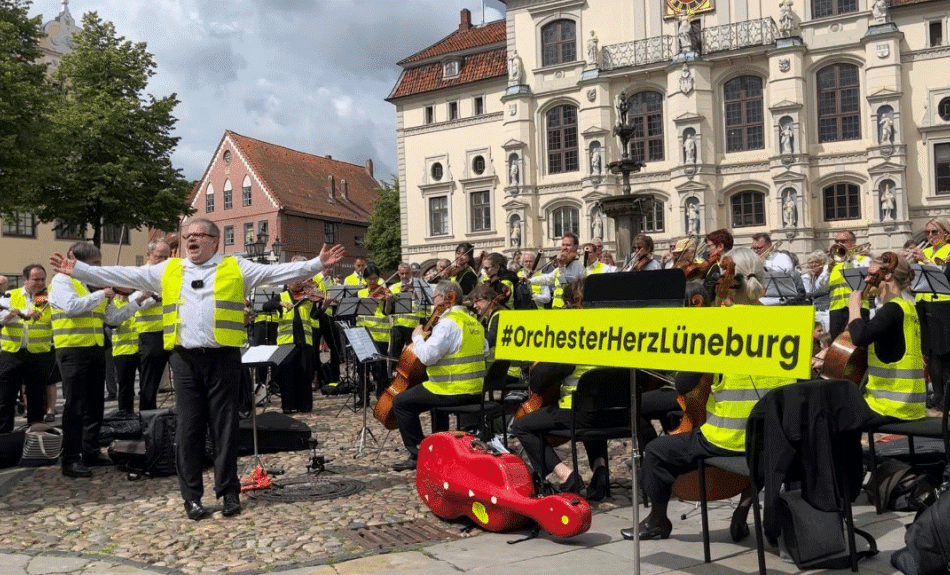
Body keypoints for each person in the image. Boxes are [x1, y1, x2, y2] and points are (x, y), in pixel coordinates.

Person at [50, 217, 344, 519]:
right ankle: (191, 497)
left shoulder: (235, 267)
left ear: (215, 241)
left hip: (224, 358)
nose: (191, 239)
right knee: (188, 430)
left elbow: (277, 271)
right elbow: (128, 273)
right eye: (187, 235)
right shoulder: (170, 268)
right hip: (185, 360)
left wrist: (317, 264)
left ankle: (229, 492)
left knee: (225, 429)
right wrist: (81, 270)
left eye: (199, 235)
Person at [623, 247, 796, 541]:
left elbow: (683, 385)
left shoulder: (719, 325)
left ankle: (657, 520)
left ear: (726, 283)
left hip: (727, 438)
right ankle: (743, 507)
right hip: (775, 437)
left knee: (655, 453)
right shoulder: (785, 322)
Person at [48, 242, 142, 479]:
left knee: (94, 405)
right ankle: (70, 459)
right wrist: (102, 293)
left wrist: (140, 301)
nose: (99, 269)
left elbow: (113, 318)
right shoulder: (62, 281)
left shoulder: (93, 286)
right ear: (79, 264)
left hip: (95, 349)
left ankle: (90, 450)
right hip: (71, 350)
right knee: (75, 406)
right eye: (95, 265)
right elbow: (70, 308)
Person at [391, 280, 488, 471]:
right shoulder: (473, 321)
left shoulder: (447, 324)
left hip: (452, 389)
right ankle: (441, 446)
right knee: (430, 399)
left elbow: (427, 357)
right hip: (477, 389)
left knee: (401, 402)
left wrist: (418, 337)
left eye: (435, 297)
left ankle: (418, 452)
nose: (433, 301)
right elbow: (484, 351)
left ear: (446, 297)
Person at [847, 253, 926, 425]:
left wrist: (853, 307)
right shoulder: (908, 307)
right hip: (910, 405)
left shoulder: (892, 310)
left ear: (887, 275)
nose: (867, 279)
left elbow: (860, 337)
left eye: (870, 274)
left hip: (889, 406)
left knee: (827, 408)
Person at [0, 264, 54, 432]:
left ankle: (35, 437)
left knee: (37, 398)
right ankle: (4, 437)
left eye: (43, 279)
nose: (40, 283)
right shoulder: (10, 295)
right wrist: (22, 312)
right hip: (12, 353)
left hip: (39, 354)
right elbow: (2, 318)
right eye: (35, 279)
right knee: (5, 398)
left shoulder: (48, 298)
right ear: (24, 280)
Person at [263, 256, 319, 414]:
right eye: (295, 280)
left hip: (305, 341)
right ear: (288, 282)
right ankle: (288, 406)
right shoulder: (281, 296)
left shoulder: (307, 298)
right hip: (286, 342)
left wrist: (324, 306)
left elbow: (314, 317)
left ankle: (305, 405)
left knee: (305, 375)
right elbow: (266, 306)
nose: (299, 283)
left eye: (301, 280)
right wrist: (280, 304)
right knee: (287, 375)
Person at [910, 218, 950, 411]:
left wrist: (926, 261)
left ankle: (947, 397)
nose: (930, 236)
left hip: (944, 305)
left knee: (945, 352)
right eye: (928, 233)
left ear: (945, 233)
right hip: (924, 305)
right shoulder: (925, 251)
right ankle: (938, 394)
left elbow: (947, 277)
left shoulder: (948, 251)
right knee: (931, 353)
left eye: (935, 232)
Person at [134, 239, 171, 411]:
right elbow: (133, 302)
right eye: (159, 257)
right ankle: (148, 419)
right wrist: (154, 297)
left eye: (167, 257)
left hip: (173, 331)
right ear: (149, 255)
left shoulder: (171, 273)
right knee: (149, 383)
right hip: (150, 334)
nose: (163, 261)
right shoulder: (140, 274)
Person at [110, 290, 153, 414]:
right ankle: (125, 417)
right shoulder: (115, 304)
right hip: (123, 351)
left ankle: (146, 416)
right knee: (125, 388)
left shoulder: (140, 300)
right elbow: (114, 322)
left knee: (145, 386)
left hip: (141, 349)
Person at [827, 230, 871, 339]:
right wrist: (827, 271)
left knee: (860, 343)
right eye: (837, 241)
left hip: (859, 307)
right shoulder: (833, 264)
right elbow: (821, 287)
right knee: (835, 344)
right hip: (836, 310)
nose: (839, 244)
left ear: (853, 243)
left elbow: (865, 280)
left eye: (843, 241)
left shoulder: (864, 260)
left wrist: (850, 258)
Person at [530, 232, 586, 308]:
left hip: (569, 308)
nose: (564, 248)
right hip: (557, 308)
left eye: (568, 245)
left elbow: (566, 280)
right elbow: (547, 279)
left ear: (575, 247)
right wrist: (530, 281)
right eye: (563, 245)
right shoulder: (564, 266)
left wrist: (561, 265)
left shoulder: (576, 265)